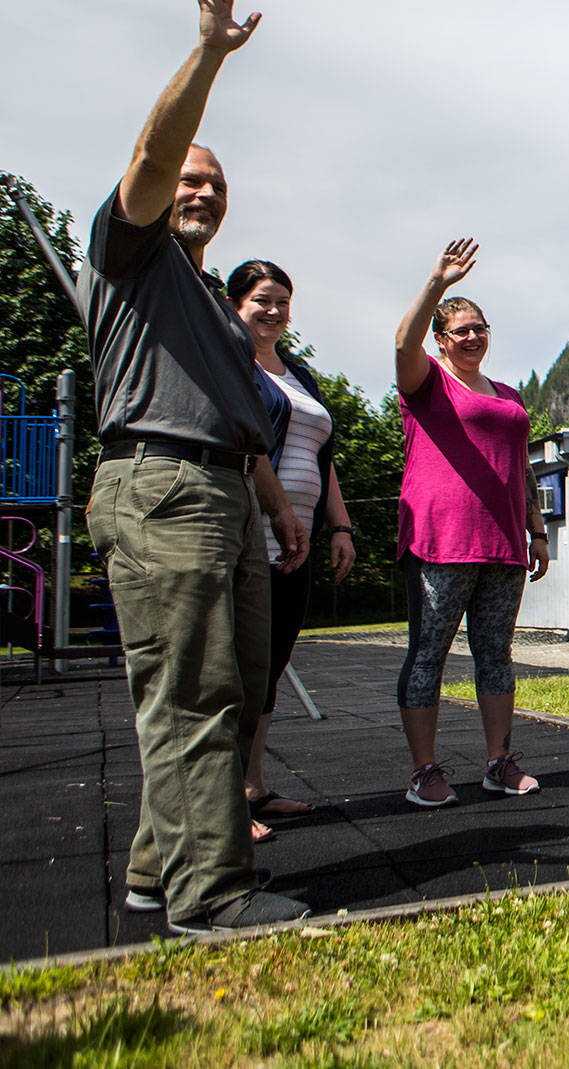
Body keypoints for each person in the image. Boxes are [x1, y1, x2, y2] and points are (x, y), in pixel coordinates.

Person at [80, 0, 312, 933]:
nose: (200, 189)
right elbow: (148, 156)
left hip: (223, 493)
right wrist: (210, 54)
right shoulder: (129, 249)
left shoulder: (214, 309)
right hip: (162, 488)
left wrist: (277, 501)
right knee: (193, 694)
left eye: (214, 182)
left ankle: (152, 868)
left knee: (226, 685)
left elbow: (240, 419)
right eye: (189, 177)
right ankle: (209, 894)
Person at [393, 239, 550, 806]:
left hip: (503, 545)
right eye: (461, 330)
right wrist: (437, 281)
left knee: (496, 657)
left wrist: (536, 527)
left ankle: (497, 762)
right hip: (440, 543)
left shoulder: (508, 396)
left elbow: (522, 467)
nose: (473, 337)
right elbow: (403, 342)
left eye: (480, 328)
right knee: (428, 654)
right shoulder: (427, 382)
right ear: (441, 340)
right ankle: (424, 771)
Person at [227, 260, 357, 834]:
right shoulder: (230, 364)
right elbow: (243, 445)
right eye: (262, 299)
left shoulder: (296, 373)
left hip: (298, 536)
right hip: (249, 529)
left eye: (283, 300)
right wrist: (277, 510)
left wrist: (341, 527)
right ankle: (223, 803)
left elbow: (322, 462)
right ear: (235, 305)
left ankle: (253, 787)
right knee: (233, 666)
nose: (274, 310)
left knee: (271, 664)